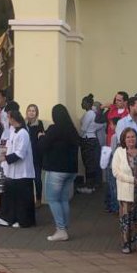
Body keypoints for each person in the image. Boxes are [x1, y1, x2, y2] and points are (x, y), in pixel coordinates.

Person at [40, 103, 80, 241]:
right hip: (71, 170)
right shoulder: (72, 130)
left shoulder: (54, 129)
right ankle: (65, 227)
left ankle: (61, 229)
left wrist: (41, 136)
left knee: (53, 199)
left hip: (56, 169)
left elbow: (43, 146)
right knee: (63, 199)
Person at [111, 127, 137, 255]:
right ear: (124, 139)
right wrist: (132, 180)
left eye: (133, 137)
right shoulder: (119, 152)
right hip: (127, 192)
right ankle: (126, 244)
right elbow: (116, 172)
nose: (131, 139)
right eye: (128, 137)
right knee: (126, 219)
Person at [0, 110, 36, 229]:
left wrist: (4, 158)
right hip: (12, 171)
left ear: (13, 119)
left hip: (23, 172)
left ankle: (25, 221)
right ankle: (9, 217)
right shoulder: (13, 131)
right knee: (12, 195)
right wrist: (4, 152)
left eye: (8, 118)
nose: (8, 120)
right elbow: (10, 146)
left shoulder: (23, 133)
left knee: (23, 198)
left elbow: (20, 154)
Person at [78, 94, 101, 194]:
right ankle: (92, 185)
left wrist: (78, 139)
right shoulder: (90, 113)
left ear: (88, 103)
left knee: (88, 163)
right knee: (90, 163)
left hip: (88, 140)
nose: (81, 104)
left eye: (83, 102)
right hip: (91, 139)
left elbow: (83, 129)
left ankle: (89, 186)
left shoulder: (90, 113)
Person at [25, 104, 44, 204]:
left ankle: (39, 199)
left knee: (37, 178)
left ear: (36, 113)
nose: (31, 112)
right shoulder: (23, 124)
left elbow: (40, 137)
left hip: (36, 155)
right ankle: (28, 199)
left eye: (33, 111)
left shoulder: (39, 123)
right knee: (27, 179)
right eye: (29, 110)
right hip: (26, 156)